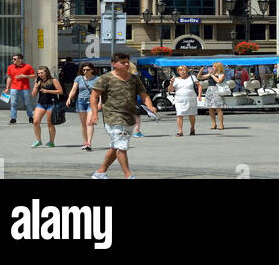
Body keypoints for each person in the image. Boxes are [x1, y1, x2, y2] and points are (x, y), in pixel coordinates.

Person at [89, 52, 158, 180]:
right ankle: (128, 175)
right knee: (121, 146)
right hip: (113, 116)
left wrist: (150, 106)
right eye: (123, 62)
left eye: (127, 62)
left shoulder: (134, 78)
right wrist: (94, 114)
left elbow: (144, 94)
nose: (126, 65)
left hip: (130, 117)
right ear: (114, 64)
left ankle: (100, 172)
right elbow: (94, 96)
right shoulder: (105, 78)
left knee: (116, 146)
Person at [67, 62, 98, 150]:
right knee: (83, 123)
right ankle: (85, 141)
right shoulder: (79, 78)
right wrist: (69, 98)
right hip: (80, 101)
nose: (85, 71)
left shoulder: (97, 79)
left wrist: (100, 103)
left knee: (89, 122)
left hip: (92, 101)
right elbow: (74, 89)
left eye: (87, 70)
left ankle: (89, 143)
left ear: (92, 70)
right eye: (84, 70)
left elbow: (100, 92)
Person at [31, 67, 63, 148]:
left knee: (50, 123)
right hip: (41, 104)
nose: (40, 75)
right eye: (38, 73)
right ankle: (38, 141)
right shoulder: (38, 81)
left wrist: (47, 91)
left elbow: (60, 91)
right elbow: (33, 95)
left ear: (46, 73)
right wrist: (35, 86)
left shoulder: (53, 81)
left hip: (52, 103)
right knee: (35, 122)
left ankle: (51, 142)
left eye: (42, 73)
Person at [4, 52, 36, 125]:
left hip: (25, 88)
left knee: (27, 103)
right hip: (14, 88)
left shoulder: (28, 67)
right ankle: (13, 118)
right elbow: (9, 78)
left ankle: (31, 117)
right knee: (13, 103)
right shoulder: (10, 67)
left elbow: (34, 75)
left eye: (14, 59)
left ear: (20, 59)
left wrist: (24, 76)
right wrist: (7, 88)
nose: (13, 60)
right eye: (13, 59)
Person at [170, 65, 200, 135]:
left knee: (191, 114)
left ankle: (192, 128)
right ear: (178, 72)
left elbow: (199, 85)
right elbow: (170, 90)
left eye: (184, 70)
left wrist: (199, 95)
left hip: (191, 98)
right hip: (179, 100)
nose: (182, 72)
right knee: (179, 114)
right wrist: (171, 83)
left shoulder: (192, 77)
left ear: (187, 71)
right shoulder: (176, 79)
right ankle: (180, 131)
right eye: (180, 70)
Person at [205, 62, 228, 131]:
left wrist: (212, 75)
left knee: (218, 108)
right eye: (212, 66)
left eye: (214, 66)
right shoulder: (211, 74)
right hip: (210, 90)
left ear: (218, 67)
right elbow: (199, 77)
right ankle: (213, 123)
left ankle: (221, 124)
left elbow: (219, 81)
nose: (213, 68)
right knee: (210, 108)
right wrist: (201, 70)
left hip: (217, 90)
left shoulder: (222, 74)